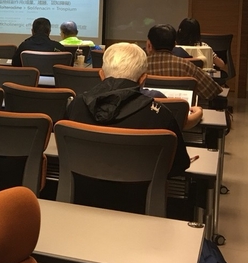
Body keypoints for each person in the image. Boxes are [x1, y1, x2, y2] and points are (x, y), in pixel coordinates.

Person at [65, 42, 192, 213]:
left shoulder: (75, 106)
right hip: (140, 209)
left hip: (78, 204)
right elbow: (177, 166)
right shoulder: (161, 115)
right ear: (143, 79)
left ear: (101, 74)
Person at [146, 24, 222, 102]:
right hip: (183, 109)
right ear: (174, 45)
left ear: (149, 45)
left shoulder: (141, 66)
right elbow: (212, 91)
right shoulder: (186, 66)